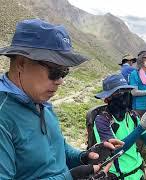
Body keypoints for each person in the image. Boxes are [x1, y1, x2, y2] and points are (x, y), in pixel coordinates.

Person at [0, 19, 123, 180]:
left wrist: (84, 156)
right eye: (55, 71)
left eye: (64, 72)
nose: (60, 81)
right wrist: (70, 177)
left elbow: (58, 150)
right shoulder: (4, 116)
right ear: (22, 63)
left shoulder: (42, 103)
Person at [94, 74, 146, 179]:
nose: (125, 95)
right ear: (107, 98)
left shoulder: (132, 116)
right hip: (120, 176)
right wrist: (141, 127)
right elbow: (114, 151)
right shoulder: (102, 120)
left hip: (139, 172)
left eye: (127, 91)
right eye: (120, 92)